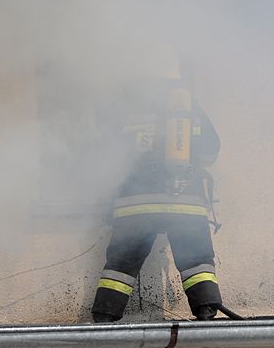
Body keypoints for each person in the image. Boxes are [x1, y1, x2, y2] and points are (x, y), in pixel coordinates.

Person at [91, 74, 222, 322]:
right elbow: (210, 151)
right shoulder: (186, 105)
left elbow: (106, 157)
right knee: (197, 261)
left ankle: (104, 317)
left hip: (135, 206)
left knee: (121, 263)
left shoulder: (127, 105)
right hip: (185, 203)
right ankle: (206, 309)